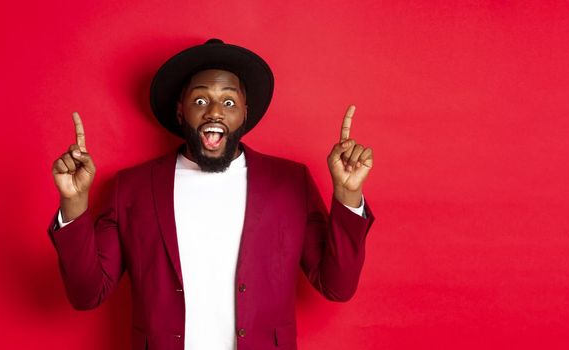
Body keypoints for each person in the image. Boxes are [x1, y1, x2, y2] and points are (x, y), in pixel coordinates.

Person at [48, 39, 375, 350]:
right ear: (181, 112)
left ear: (244, 113)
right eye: (200, 100)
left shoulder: (290, 182)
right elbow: (87, 295)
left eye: (229, 101)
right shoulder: (130, 188)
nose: (214, 112)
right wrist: (73, 203)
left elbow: (337, 286)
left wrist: (348, 195)